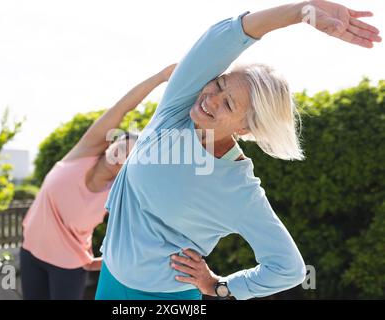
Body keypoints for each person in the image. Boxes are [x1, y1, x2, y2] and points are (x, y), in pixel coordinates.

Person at [95, 1, 381, 300]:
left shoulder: (238, 188)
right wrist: (302, 11)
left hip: (165, 298)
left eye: (229, 103)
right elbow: (221, 38)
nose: (211, 98)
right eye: (218, 84)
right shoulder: (177, 111)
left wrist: (219, 286)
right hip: (111, 276)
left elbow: (288, 268)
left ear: (244, 129)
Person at [19, 64, 176, 299]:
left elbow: (143, 229)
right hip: (30, 252)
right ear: (112, 142)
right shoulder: (84, 152)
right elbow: (121, 108)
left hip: (70, 265)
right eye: (122, 146)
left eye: (128, 157)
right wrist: (161, 77)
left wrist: (112, 259)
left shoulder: (119, 191)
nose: (120, 155)